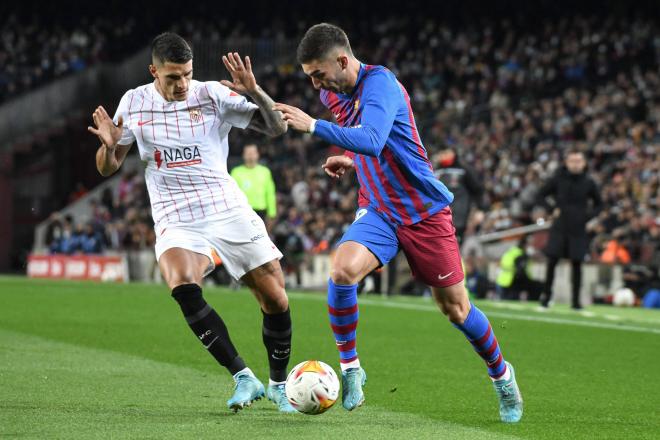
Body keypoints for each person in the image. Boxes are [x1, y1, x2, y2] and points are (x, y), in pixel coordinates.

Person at [274, 23, 522, 422]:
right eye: (310, 78)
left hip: (423, 212)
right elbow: (378, 147)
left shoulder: (381, 85)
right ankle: (352, 369)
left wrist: (315, 127)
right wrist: (352, 161)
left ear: (342, 60)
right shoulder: (332, 91)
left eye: (319, 74)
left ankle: (502, 375)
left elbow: (373, 138)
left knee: (456, 310)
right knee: (341, 272)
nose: (316, 84)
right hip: (380, 210)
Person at [87, 32, 295, 413]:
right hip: (175, 215)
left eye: (186, 74)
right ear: (154, 71)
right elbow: (109, 166)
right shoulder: (133, 103)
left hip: (225, 206)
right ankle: (243, 377)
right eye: (172, 77)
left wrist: (255, 90)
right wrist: (107, 145)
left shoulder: (211, 94)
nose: (182, 84)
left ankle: (279, 384)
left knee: (276, 298)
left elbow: (276, 127)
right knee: (182, 283)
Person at [537, 149, 602, 310]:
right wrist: (551, 209)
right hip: (559, 227)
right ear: (566, 162)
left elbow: (599, 204)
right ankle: (546, 298)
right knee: (552, 262)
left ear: (584, 163)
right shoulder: (558, 179)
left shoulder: (589, 182)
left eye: (578, 161)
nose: (575, 164)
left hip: (578, 230)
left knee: (577, 264)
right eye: (572, 160)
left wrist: (587, 217)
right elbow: (541, 195)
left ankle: (575, 302)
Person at [434, 147, 484, 242]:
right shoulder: (434, 172)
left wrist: (480, 210)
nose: (443, 155)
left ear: (454, 153)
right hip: (438, 219)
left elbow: (478, 189)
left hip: (459, 220)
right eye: (441, 152)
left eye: (446, 152)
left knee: (455, 249)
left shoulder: (464, 170)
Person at [231, 144, 277, 221]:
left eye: (252, 153)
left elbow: (270, 193)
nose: (250, 156)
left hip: (261, 210)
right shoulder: (236, 172)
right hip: (242, 211)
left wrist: (272, 212)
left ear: (257, 154)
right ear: (243, 155)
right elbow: (232, 194)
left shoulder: (265, 172)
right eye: (248, 153)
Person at [496, 235, 544, 301]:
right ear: (525, 245)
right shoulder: (521, 255)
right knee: (537, 286)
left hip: (502, 281)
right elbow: (521, 272)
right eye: (529, 245)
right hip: (512, 282)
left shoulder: (512, 251)